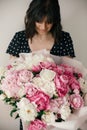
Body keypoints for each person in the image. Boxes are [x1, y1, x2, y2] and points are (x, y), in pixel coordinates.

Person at [6, 0, 75, 130]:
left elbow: (72, 76)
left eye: (49, 22)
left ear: (56, 20)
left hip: (57, 111)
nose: (43, 27)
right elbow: (11, 76)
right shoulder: (20, 38)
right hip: (29, 110)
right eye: (39, 21)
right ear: (31, 17)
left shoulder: (64, 38)